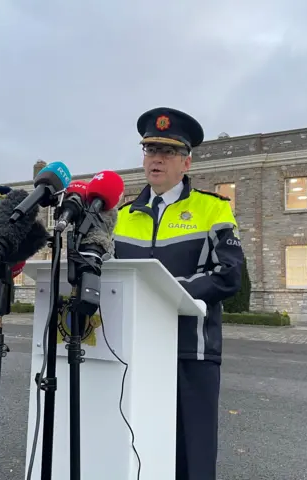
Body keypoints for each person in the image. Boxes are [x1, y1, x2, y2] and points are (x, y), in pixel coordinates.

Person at [113, 107, 245, 479]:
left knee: (193, 455)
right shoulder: (123, 215)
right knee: (139, 446)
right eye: (150, 150)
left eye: (167, 152)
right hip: (135, 350)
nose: (156, 158)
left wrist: (164, 294)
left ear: (186, 162)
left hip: (192, 351)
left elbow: (229, 275)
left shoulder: (212, 208)